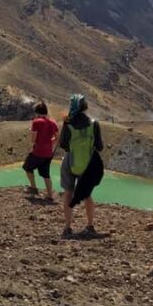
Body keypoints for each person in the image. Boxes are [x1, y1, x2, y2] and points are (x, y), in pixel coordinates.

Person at [59, 94, 104, 238]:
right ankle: (90, 225)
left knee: (68, 193)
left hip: (71, 162)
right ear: (85, 107)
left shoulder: (68, 124)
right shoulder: (94, 124)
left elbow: (63, 145)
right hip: (88, 164)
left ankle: (67, 227)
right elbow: (100, 146)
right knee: (87, 195)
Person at [22, 101, 59, 201]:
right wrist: (49, 142)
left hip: (38, 152)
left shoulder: (36, 122)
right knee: (46, 174)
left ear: (37, 112)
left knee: (27, 167)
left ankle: (33, 187)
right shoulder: (53, 123)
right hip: (48, 153)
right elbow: (57, 138)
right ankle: (50, 195)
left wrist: (32, 132)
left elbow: (33, 139)